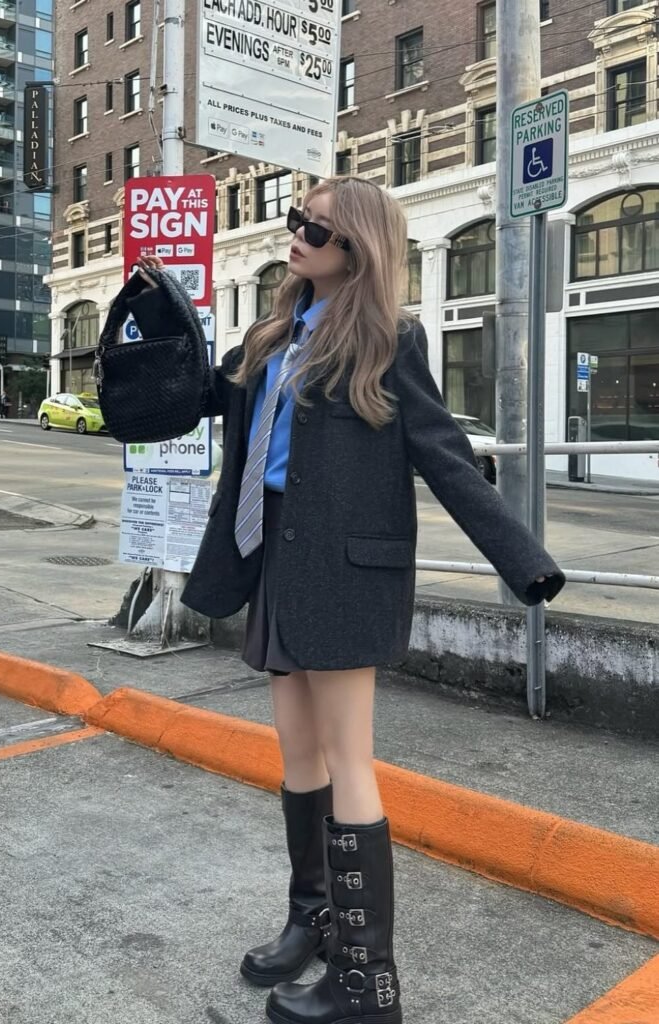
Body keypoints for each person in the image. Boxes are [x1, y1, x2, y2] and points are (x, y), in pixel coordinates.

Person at [126, 176, 565, 1024]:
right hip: (272, 555)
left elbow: (440, 452)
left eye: (315, 229)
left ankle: (367, 982)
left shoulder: (386, 338)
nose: (296, 236)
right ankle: (311, 920)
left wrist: (524, 561)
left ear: (357, 248)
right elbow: (196, 401)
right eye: (296, 222)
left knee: (349, 758)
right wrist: (152, 324)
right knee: (297, 755)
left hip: (343, 567)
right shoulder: (269, 334)